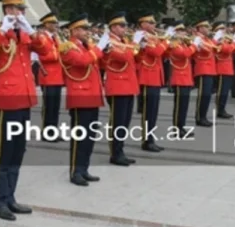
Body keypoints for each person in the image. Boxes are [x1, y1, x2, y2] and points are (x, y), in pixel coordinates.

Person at [0, 0, 48, 221]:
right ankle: (0, 200)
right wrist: (2, 31)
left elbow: (46, 51)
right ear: (8, 10)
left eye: (23, 9)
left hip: (25, 98)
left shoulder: (24, 34)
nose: (22, 13)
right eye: (19, 9)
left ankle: (10, 197)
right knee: (5, 151)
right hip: (9, 100)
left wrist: (31, 31)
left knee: (19, 150)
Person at [60, 14, 108, 185]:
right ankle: (76, 171)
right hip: (80, 96)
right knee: (80, 137)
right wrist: (98, 48)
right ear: (74, 30)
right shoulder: (68, 47)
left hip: (92, 95)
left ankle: (84, 169)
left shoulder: (87, 46)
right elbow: (81, 62)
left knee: (89, 136)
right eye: (84, 29)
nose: (88, 32)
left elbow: (99, 64)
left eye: (88, 29)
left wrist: (103, 51)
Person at [101, 12, 137, 166]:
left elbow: (133, 56)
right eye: (122, 26)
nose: (125, 28)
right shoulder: (109, 42)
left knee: (125, 121)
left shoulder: (123, 41)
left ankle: (120, 150)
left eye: (125, 25)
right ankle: (115, 153)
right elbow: (125, 57)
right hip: (117, 86)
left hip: (128, 85)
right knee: (117, 121)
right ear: (113, 27)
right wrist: (132, 45)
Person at [135, 14, 167, 152]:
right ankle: (147, 141)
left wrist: (168, 44)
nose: (154, 25)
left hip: (155, 76)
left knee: (153, 112)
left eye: (154, 23)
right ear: (143, 24)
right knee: (149, 112)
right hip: (147, 76)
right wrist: (166, 42)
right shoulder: (142, 37)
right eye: (150, 23)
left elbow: (164, 54)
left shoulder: (153, 36)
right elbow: (155, 52)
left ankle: (151, 139)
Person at [36, 12, 64, 134]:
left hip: (57, 76)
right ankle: (47, 131)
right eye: (53, 23)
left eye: (56, 23)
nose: (56, 25)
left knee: (55, 106)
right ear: (46, 24)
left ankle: (53, 130)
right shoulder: (42, 38)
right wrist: (58, 54)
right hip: (48, 75)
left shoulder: (55, 37)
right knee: (49, 106)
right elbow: (43, 56)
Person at [168, 24, 196, 133]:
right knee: (179, 106)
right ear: (176, 33)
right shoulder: (174, 45)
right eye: (181, 31)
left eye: (184, 31)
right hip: (179, 78)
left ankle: (181, 127)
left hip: (186, 78)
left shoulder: (183, 44)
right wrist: (194, 45)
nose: (184, 33)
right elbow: (184, 54)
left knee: (184, 106)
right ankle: (176, 129)